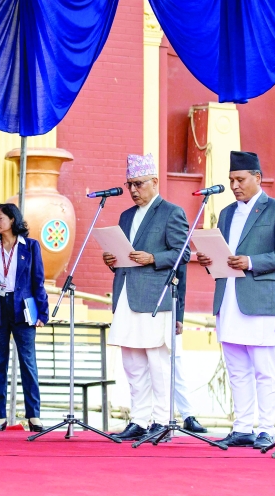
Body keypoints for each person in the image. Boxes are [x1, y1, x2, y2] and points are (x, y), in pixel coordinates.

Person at [195, 151, 275, 450]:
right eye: (231, 181)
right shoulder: (226, 213)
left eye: (240, 179)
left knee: (264, 368)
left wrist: (250, 261)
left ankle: (265, 429)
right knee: (236, 367)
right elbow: (223, 253)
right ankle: (242, 427)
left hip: (261, 299)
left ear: (258, 178)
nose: (235, 185)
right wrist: (207, 258)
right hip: (228, 297)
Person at [102, 153, 197, 440]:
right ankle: (139, 419)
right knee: (132, 362)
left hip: (156, 297)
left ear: (155, 182)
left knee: (158, 362)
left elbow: (184, 254)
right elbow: (125, 254)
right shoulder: (126, 215)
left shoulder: (171, 212)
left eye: (138, 184)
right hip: (126, 295)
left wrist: (152, 257)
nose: (132, 190)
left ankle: (162, 421)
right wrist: (112, 258)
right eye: (129, 184)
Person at [0, 203, 49, 432]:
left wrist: (42, 313)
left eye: (0, 218)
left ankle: (34, 416)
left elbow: (38, 282)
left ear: (12, 220)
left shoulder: (31, 246)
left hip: (23, 309)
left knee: (28, 362)